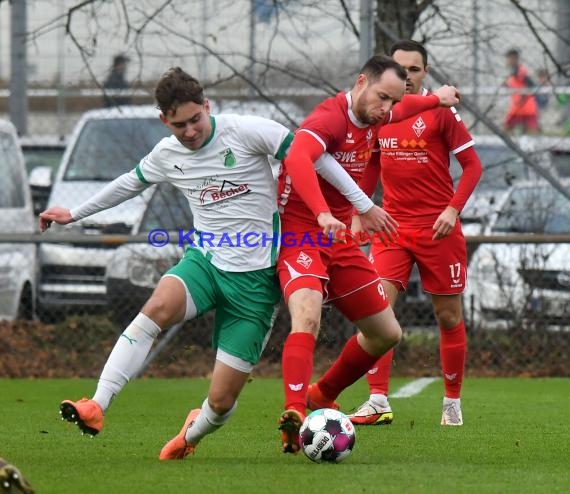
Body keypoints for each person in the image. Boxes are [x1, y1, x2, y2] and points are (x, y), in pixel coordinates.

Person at [39, 67, 368, 460]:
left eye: (196, 119)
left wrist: (362, 204)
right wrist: (73, 213)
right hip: (206, 264)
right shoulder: (167, 154)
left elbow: (312, 157)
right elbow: (128, 182)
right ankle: (97, 404)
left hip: (255, 283)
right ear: (165, 121)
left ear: (207, 107)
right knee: (156, 307)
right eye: (180, 125)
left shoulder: (247, 131)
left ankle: (191, 434)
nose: (191, 131)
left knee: (222, 399)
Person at [275, 53, 461, 453]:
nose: (387, 109)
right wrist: (323, 213)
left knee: (387, 333)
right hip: (303, 235)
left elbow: (409, 104)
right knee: (306, 314)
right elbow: (297, 158)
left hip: (338, 239)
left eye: (393, 101)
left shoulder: (381, 113)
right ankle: (294, 414)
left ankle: (321, 394)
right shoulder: (329, 119)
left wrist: (438, 99)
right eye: (382, 98)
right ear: (361, 82)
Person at [343, 40, 482, 427]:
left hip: (438, 230)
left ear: (425, 73)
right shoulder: (379, 115)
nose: (407, 77)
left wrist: (453, 210)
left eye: (415, 70)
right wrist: (360, 209)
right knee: (376, 310)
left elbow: (472, 167)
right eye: (399, 69)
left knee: (448, 316)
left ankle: (452, 401)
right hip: (392, 227)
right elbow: (370, 167)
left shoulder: (441, 114)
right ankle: (377, 400)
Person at [503, 48, 539, 134]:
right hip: (517, 107)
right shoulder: (513, 72)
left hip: (526, 106)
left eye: (509, 59)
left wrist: (523, 97)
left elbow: (531, 85)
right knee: (507, 129)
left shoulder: (519, 71)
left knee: (531, 131)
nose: (507, 61)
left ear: (514, 59)